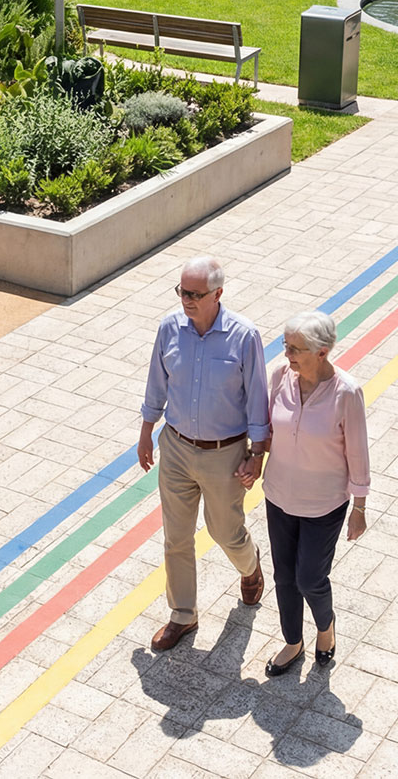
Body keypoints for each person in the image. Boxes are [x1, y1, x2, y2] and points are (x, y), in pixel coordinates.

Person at [139, 257, 269, 653]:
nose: (187, 301)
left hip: (224, 454)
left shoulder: (244, 336)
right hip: (175, 447)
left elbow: (258, 400)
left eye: (196, 294)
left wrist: (257, 453)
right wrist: (146, 432)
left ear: (218, 294)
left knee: (224, 532)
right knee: (176, 537)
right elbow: (156, 383)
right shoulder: (169, 329)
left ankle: (251, 566)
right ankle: (183, 614)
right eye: (182, 292)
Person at [260, 312, 370, 677]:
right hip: (278, 495)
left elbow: (357, 451)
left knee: (310, 577)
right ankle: (293, 641)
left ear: (322, 352)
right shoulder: (279, 376)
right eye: (285, 345)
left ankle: (325, 627)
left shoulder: (346, 392)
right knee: (283, 576)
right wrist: (252, 455)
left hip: (324, 503)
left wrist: (360, 506)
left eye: (296, 348)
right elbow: (268, 428)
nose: (287, 354)